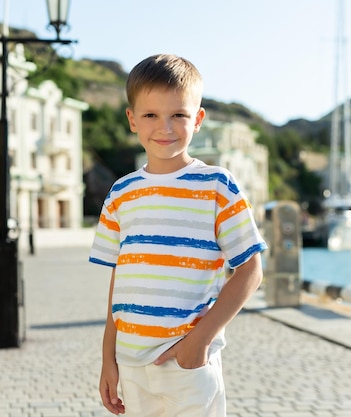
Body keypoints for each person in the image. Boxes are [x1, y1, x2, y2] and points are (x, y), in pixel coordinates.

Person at [88, 53, 267, 417]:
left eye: (178, 115)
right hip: (132, 364)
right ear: (132, 120)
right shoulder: (121, 193)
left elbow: (251, 271)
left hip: (187, 364)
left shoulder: (217, 185)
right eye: (151, 115)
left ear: (197, 119)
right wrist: (109, 358)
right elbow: (118, 280)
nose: (164, 128)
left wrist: (196, 345)